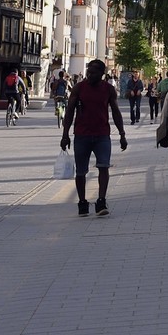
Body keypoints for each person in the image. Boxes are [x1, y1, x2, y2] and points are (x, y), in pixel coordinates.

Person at [60, 58, 128, 217]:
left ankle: (101, 201)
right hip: (81, 135)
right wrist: (65, 135)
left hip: (102, 135)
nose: (89, 75)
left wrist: (122, 134)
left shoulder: (109, 89)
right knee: (81, 171)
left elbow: (116, 112)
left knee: (103, 167)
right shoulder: (78, 88)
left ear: (102, 74)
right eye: (88, 72)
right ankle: (82, 202)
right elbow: (69, 112)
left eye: (93, 73)